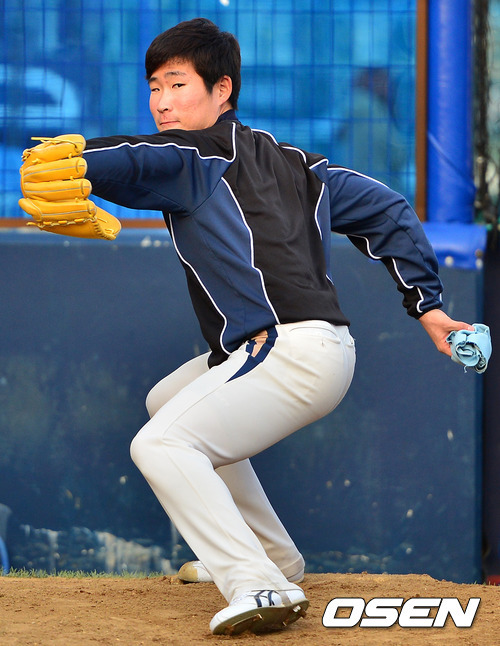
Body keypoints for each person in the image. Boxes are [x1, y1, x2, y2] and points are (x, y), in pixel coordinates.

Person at [62, 18, 474, 635]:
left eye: (177, 83)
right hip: (317, 349)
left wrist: (71, 159)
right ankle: (274, 558)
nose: (162, 101)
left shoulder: (196, 155)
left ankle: (255, 584)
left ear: (222, 89)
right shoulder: (298, 164)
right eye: (154, 87)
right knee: (167, 403)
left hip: (287, 350)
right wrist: (428, 305)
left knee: (159, 444)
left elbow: (136, 158)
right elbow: (389, 208)